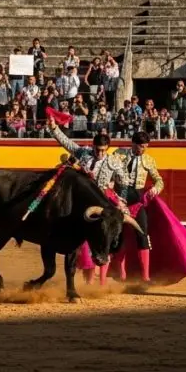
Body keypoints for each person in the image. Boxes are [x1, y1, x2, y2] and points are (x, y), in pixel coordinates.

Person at [108, 131, 186, 286]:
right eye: (140, 146)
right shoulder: (118, 154)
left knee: (142, 234)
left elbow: (159, 180)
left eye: (145, 147)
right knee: (120, 236)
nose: (143, 150)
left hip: (137, 201)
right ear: (133, 144)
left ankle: (145, 276)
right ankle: (120, 270)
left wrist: (155, 189)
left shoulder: (148, 160)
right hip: (119, 200)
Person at [47, 115, 128, 285]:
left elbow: (124, 183)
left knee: (106, 239)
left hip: (103, 204)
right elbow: (67, 143)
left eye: (103, 150)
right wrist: (54, 128)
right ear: (93, 146)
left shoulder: (114, 162)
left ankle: (104, 279)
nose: (100, 153)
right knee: (82, 243)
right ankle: (88, 280)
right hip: (82, 204)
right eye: (98, 149)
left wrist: (121, 199)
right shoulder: (84, 153)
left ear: (108, 148)